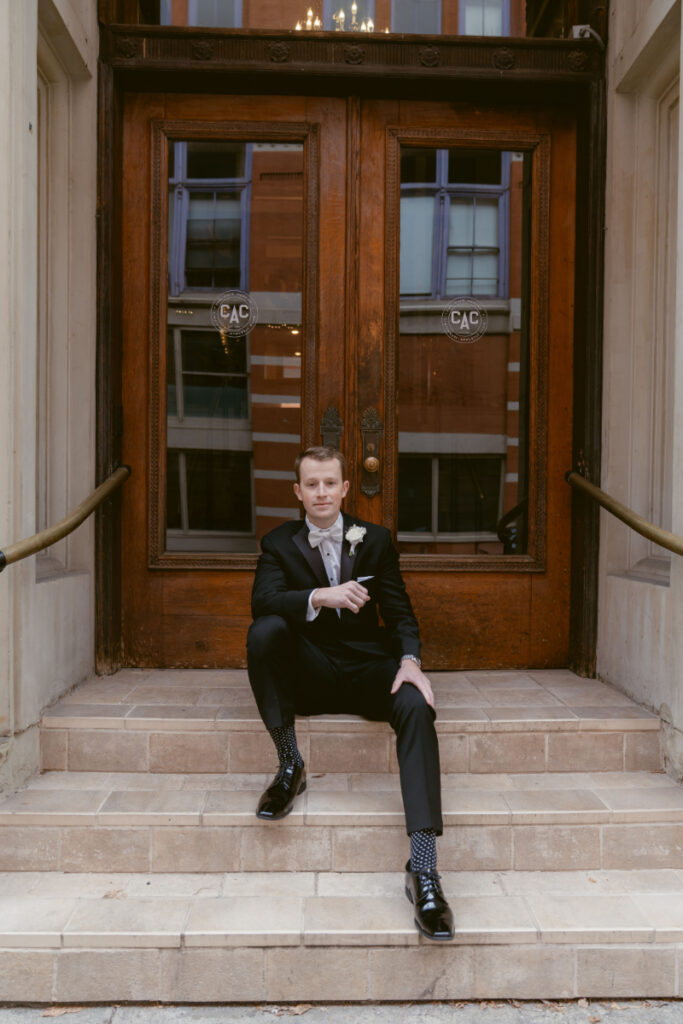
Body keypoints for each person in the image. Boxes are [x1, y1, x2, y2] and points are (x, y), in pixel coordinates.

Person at [246, 445, 454, 941]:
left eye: (329, 484)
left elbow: (401, 613)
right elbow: (263, 602)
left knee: (415, 703)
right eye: (310, 484)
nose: (321, 492)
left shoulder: (374, 540)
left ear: (344, 488)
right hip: (310, 671)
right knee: (264, 633)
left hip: (368, 669)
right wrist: (322, 596)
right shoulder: (278, 543)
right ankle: (290, 764)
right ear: (298, 492)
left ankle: (424, 867)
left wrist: (410, 663)